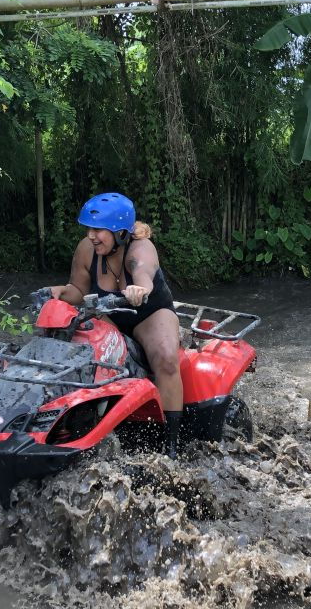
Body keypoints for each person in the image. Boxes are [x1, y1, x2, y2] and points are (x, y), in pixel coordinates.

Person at [49, 192, 184, 458]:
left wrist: (139, 289)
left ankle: (171, 445)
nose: (91, 235)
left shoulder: (140, 249)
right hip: (107, 315)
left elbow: (144, 274)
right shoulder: (87, 250)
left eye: (98, 230)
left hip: (149, 314)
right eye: (89, 228)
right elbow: (78, 289)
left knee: (167, 358)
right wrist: (59, 292)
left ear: (120, 232)